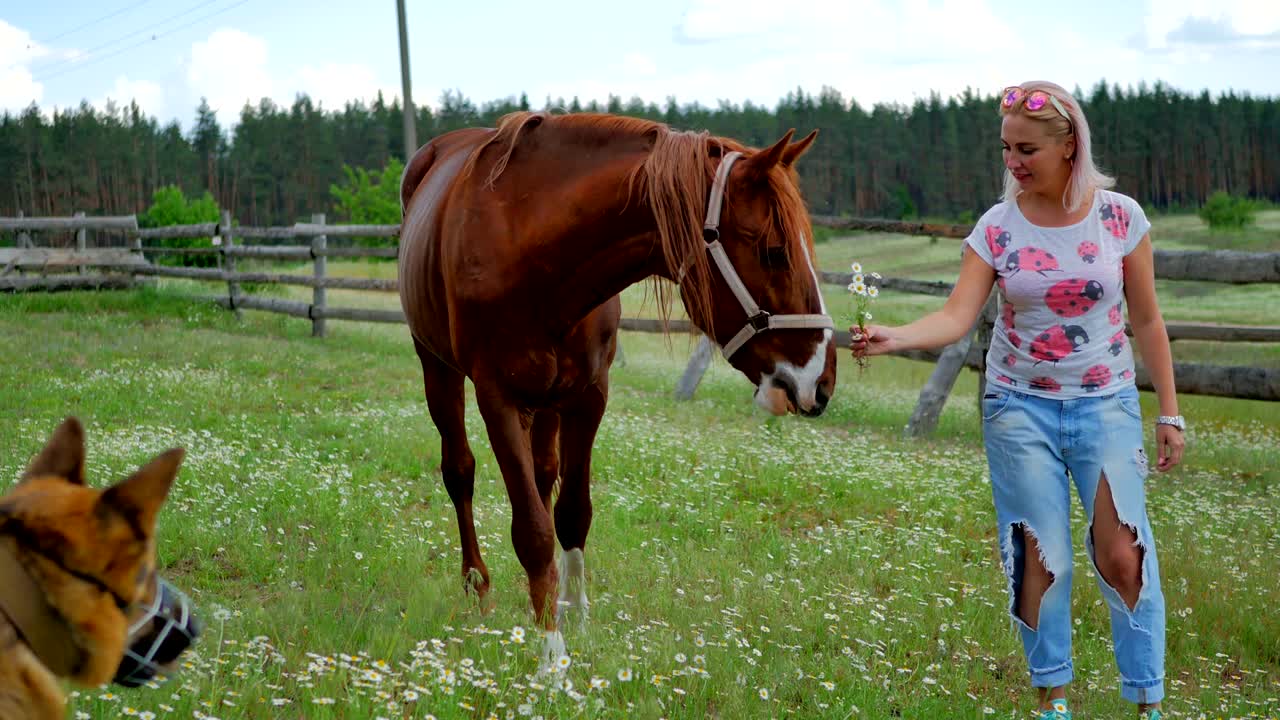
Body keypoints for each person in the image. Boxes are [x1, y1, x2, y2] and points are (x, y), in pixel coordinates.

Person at [850, 81, 1185, 720]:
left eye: (1026, 148)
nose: (1013, 162)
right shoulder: (996, 227)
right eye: (1006, 148)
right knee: (1039, 554)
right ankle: (1052, 700)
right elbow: (956, 316)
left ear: (1069, 145)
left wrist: (1168, 412)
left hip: (1105, 404)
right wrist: (896, 337)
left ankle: (1147, 702)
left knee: (1123, 551)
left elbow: (1146, 320)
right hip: (1017, 408)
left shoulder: (1119, 217)